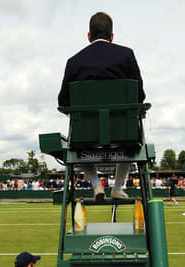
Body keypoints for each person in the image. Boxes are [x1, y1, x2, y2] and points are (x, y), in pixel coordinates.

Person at [58, 11, 146, 201]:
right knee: (133, 133)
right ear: (112, 36)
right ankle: (117, 186)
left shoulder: (74, 62)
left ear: (89, 36)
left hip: (84, 137)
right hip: (125, 135)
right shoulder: (127, 55)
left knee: (78, 141)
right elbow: (140, 96)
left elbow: (62, 101)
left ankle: (97, 185)